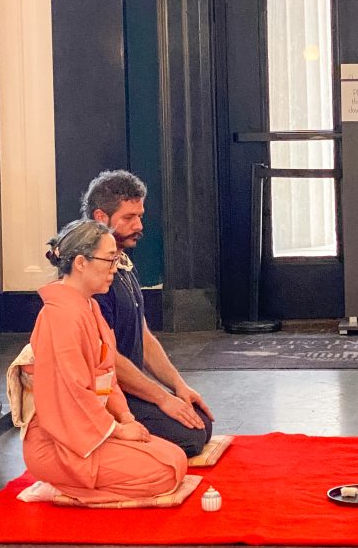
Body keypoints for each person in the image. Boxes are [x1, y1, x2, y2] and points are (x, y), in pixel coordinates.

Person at [22, 219, 187, 505]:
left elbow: (107, 375)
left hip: (93, 430)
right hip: (61, 442)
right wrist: (119, 431)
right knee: (164, 473)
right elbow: (71, 394)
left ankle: (71, 485)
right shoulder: (59, 317)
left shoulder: (89, 307)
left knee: (175, 457)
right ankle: (63, 488)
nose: (115, 269)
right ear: (82, 263)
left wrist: (126, 418)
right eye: (110, 260)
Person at [82, 170, 214, 457]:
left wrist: (179, 388)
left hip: (128, 386)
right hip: (103, 395)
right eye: (129, 218)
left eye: (140, 216)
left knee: (200, 424)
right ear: (101, 218)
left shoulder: (122, 261)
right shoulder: (90, 273)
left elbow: (144, 336)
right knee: (191, 437)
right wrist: (162, 399)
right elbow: (106, 357)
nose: (139, 225)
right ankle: (108, 440)